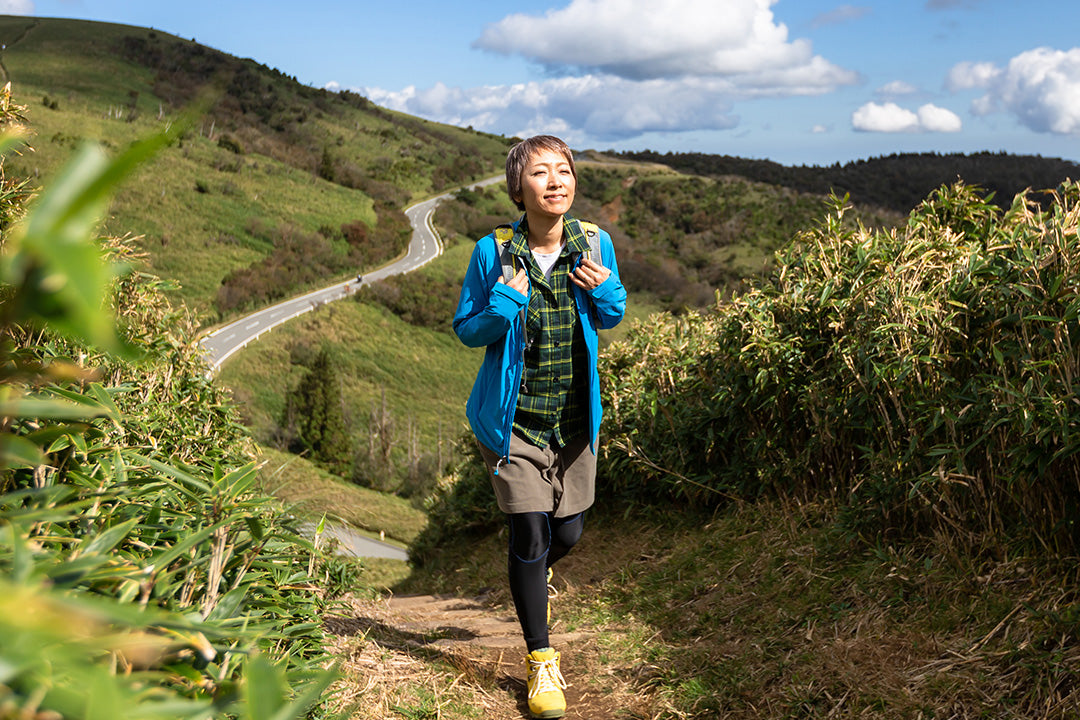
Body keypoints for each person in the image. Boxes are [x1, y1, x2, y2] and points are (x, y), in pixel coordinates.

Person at [453, 135, 626, 719]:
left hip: (575, 423)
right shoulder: (492, 253)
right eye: (540, 173)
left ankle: (523, 580)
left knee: (567, 535)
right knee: (529, 533)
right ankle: (540, 658)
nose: (556, 181)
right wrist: (503, 304)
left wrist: (603, 288)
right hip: (513, 425)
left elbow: (614, 313)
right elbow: (467, 330)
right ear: (518, 188)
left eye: (564, 170)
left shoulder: (594, 243)